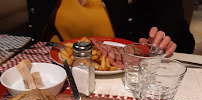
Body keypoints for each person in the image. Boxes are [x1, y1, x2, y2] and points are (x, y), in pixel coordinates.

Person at [27, 0, 193, 55]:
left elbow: (171, 26)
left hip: (128, 76)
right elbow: (38, 32)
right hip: (60, 72)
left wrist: (160, 40)